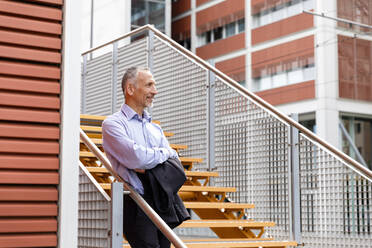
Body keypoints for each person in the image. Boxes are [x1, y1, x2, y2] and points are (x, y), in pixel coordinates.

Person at [102, 67, 179, 248]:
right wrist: (162, 155)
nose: (155, 91)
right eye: (149, 85)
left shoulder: (155, 128)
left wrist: (156, 157)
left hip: (160, 199)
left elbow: (173, 158)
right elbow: (136, 159)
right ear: (130, 89)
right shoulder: (113, 124)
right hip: (136, 200)